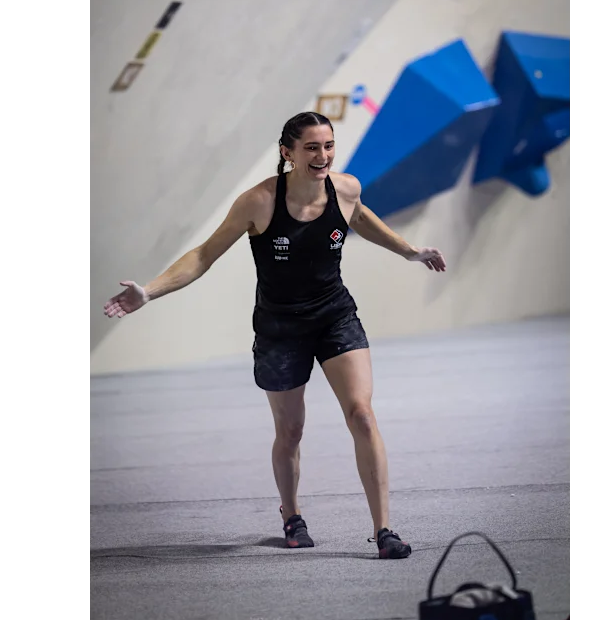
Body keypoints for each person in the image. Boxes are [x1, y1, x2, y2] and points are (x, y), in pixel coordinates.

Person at [103, 111, 446, 559]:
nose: (322, 156)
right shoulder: (259, 202)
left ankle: (384, 531)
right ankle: (292, 514)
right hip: (280, 328)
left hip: (335, 316)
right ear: (288, 152)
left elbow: (360, 217)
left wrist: (410, 251)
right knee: (291, 430)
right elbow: (204, 255)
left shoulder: (346, 188)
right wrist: (149, 291)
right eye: (311, 147)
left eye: (328, 146)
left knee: (362, 414)